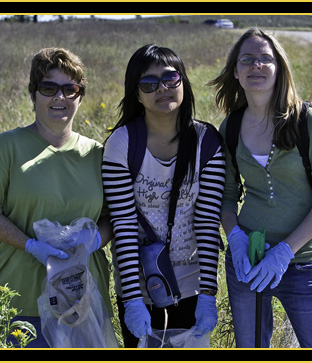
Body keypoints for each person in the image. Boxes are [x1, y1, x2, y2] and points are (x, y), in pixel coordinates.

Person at [0, 47, 113, 348]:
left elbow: (113, 216)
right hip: (15, 309)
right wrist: (30, 245)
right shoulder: (6, 148)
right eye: (48, 88)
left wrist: (94, 240)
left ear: (80, 95)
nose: (60, 97)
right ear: (34, 95)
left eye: (69, 89)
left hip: (81, 304)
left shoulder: (98, 154)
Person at [209, 27, 312, 348]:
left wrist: (284, 252)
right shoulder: (232, 125)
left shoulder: (306, 121)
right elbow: (226, 197)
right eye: (247, 59)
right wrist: (236, 238)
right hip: (249, 264)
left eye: (265, 59)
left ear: (280, 68)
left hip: (304, 264)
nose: (257, 65)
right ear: (236, 71)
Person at [102, 44, 226, 347]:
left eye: (171, 78)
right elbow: (123, 225)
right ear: (137, 93)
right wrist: (132, 299)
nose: (162, 88)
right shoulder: (122, 144)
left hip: (193, 287)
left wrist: (209, 295)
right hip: (140, 286)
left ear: (183, 81)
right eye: (149, 84)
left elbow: (208, 222)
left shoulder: (206, 142)